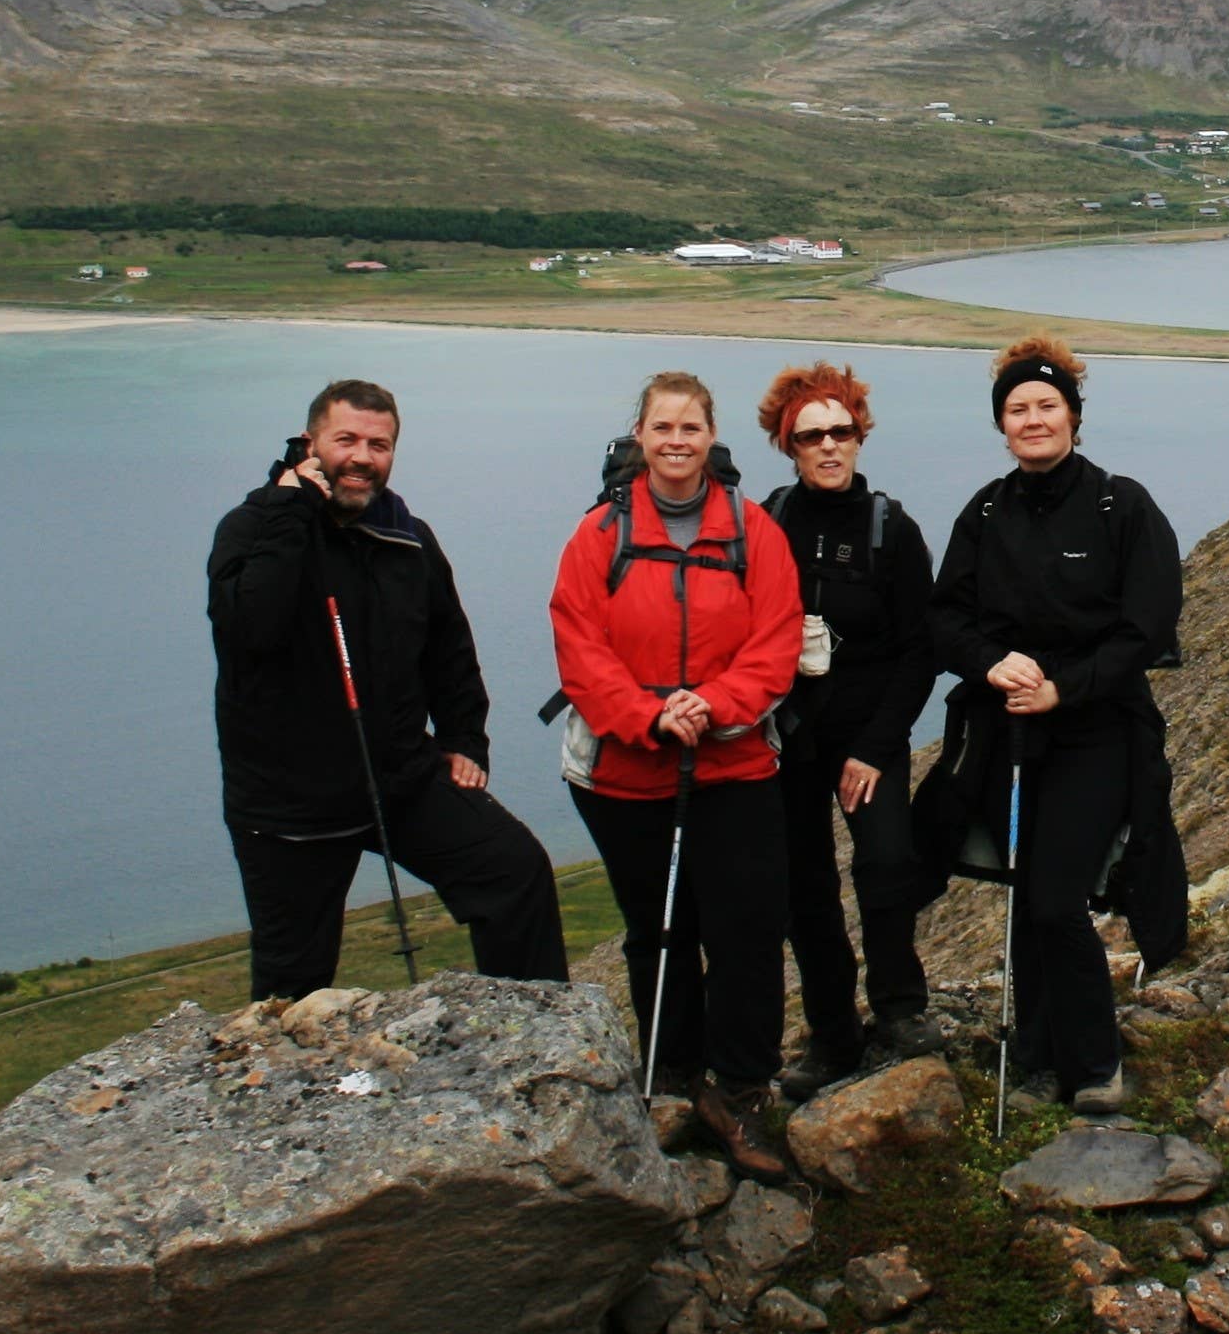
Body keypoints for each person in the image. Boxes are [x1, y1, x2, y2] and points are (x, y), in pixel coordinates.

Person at [207, 378, 568, 1001]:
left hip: (400, 778)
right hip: (289, 807)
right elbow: (252, 630)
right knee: (293, 984)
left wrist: (464, 741)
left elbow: (450, 652)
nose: (363, 457)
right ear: (310, 442)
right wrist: (293, 508)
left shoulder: (407, 537)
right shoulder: (253, 527)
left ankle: (536, 1044)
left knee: (515, 872)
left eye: (380, 444)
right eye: (346, 439)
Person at [548, 370, 805, 1177]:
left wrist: (714, 706)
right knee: (659, 932)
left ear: (710, 436)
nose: (675, 441)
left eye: (689, 428)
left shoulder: (753, 531)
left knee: (747, 929)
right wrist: (650, 715)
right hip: (626, 772)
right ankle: (671, 1076)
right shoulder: (599, 535)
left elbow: (778, 638)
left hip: (732, 764)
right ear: (641, 436)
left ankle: (741, 1087)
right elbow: (578, 645)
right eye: (662, 428)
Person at [926, 331, 1189, 1114]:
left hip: (1097, 735)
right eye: (1017, 409)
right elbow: (946, 618)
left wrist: (1064, 689)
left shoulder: (1121, 505)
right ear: (1001, 425)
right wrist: (989, 664)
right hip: (1010, 735)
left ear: (1073, 416)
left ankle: (1096, 1063)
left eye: (1046, 406)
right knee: (1021, 894)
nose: (1032, 420)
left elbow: (1148, 626)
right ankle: (1038, 1054)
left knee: (1052, 898)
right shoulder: (985, 512)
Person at [753, 361, 940, 1092]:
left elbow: (919, 650)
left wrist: (873, 748)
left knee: (887, 864)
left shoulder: (891, 530)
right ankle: (834, 1034)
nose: (828, 447)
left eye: (841, 432)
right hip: (789, 738)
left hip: (868, 737)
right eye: (810, 437)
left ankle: (900, 1008)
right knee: (806, 888)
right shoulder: (766, 522)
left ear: (860, 437)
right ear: (787, 446)